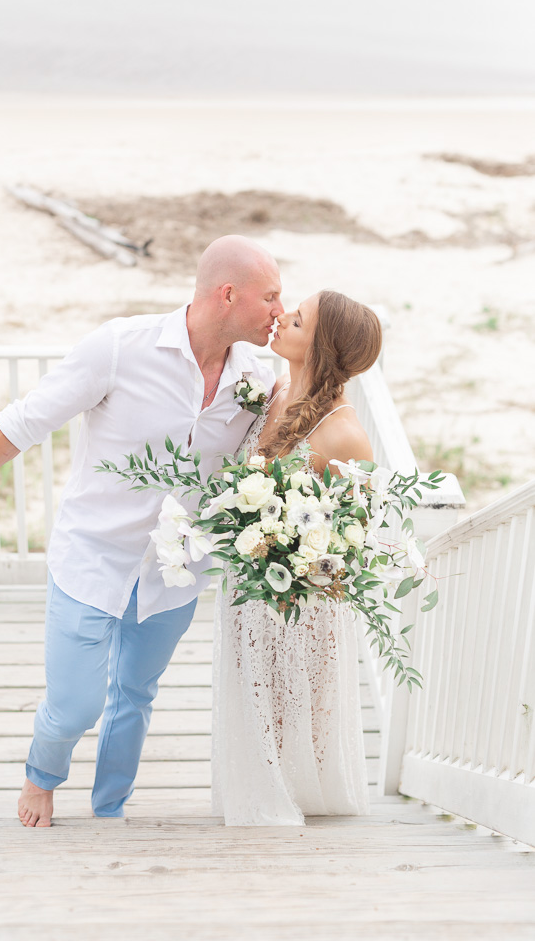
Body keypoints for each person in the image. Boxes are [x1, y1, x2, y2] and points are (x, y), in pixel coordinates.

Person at [0, 234, 283, 828]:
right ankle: (42, 775)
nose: (280, 310)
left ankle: (110, 807)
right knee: (75, 704)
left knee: (135, 693)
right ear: (227, 294)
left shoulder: (258, 379)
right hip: (93, 557)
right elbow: (22, 424)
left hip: (177, 570)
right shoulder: (120, 348)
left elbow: (268, 459)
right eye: (271, 297)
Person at [211, 289, 383, 826]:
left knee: (292, 697)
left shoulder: (345, 435)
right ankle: (256, 785)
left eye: (299, 320)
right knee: (250, 688)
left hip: (300, 598)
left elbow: (354, 533)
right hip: (249, 581)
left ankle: (285, 796)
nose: (282, 317)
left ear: (321, 347)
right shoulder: (279, 387)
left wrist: (290, 552)